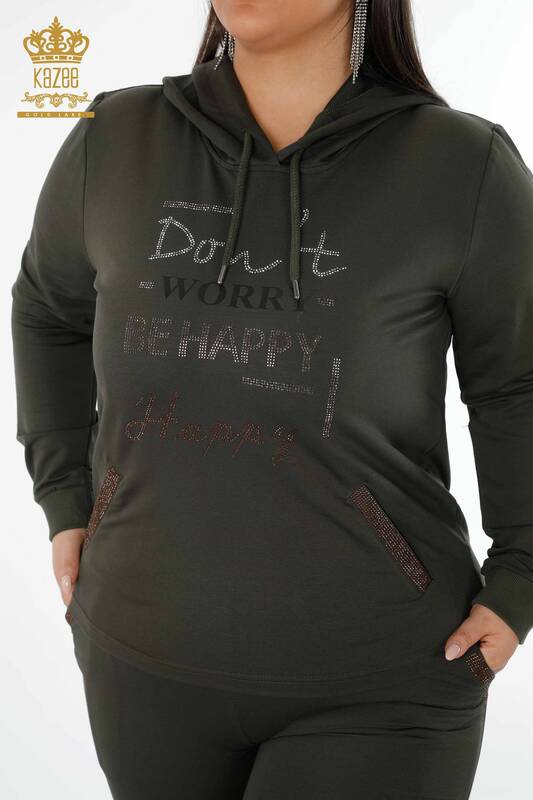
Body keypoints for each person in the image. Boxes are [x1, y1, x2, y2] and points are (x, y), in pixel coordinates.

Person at [11, 1, 533, 798]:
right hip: (140, 661)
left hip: (381, 677)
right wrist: (66, 496)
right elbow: (49, 312)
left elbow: (515, 385)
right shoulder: (115, 136)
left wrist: (522, 573)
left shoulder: (458, 165)